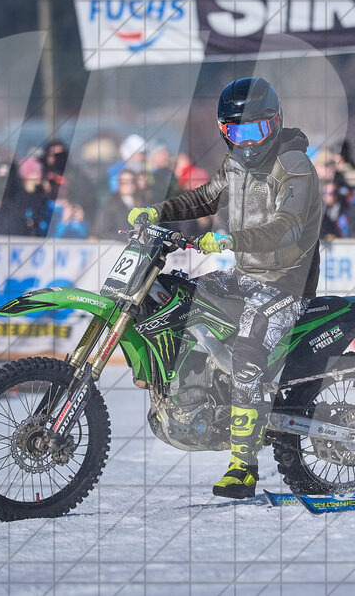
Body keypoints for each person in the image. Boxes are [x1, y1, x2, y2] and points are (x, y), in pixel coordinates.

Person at [127, 77, 321, 499]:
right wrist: (156, 211)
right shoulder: (236, 166)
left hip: (285, 283)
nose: (247, 142)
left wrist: (234, 240)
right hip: (245, 274)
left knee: (248, 358)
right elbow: (203, 198)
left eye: (255, 131)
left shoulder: (295, 165)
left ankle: (243, 466)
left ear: (274, 123)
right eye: (236, 132)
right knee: (175, 299)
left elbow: (288, 226)